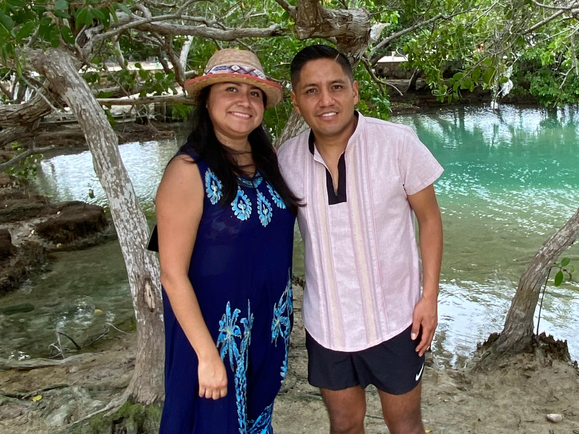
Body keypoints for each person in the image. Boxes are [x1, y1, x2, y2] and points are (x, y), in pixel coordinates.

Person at [278, 44, 443, 434]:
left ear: (355, 91)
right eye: (311, 90)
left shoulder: (397, 143)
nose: (326, 100)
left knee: (405, 424)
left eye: (336, 87)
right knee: (345, 425)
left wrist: (429, 297)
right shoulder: (285, 160)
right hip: (328, 325)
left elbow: (430, 221)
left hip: (397, 321)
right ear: (296, 102)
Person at [155, 48, 299, 434]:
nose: (244, 100)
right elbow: (172, 274)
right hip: (216, 337)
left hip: (267, 332)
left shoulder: (269, 162)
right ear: (207, 100)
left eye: (254, 93)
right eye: (230, 88)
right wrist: (206, 355)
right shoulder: (187, 171)